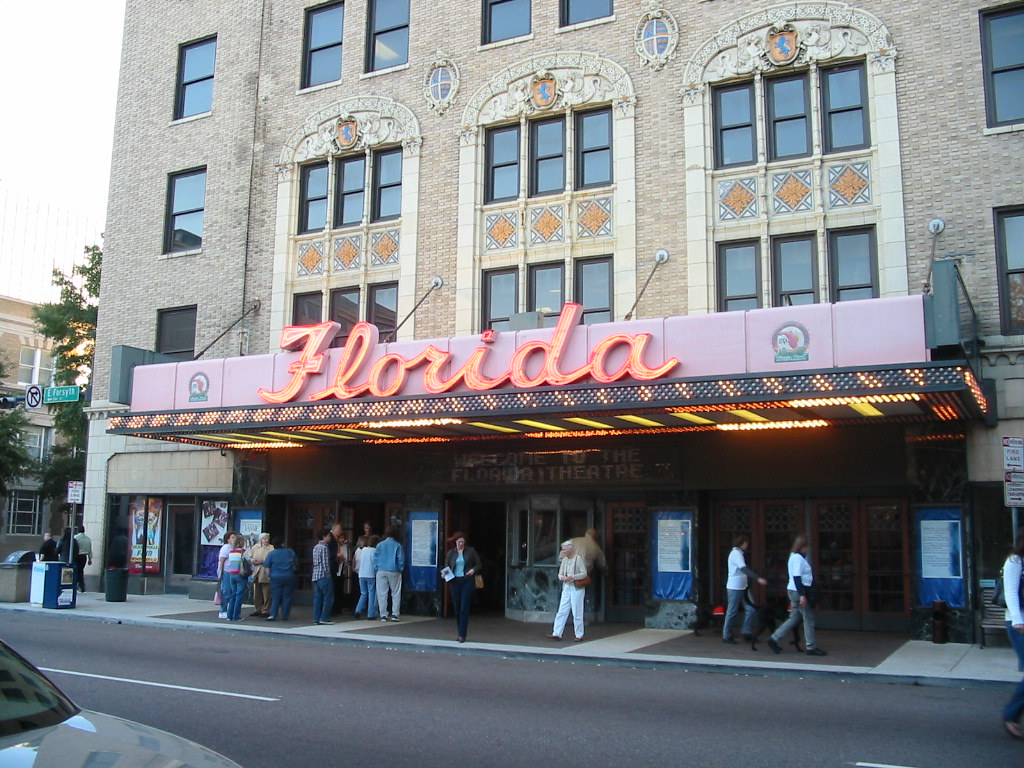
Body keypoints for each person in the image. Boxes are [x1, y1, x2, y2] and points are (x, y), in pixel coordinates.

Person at [767, 534, 826, 656]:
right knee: (808, 618)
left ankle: (774, 638)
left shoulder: (793, 557)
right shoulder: (799, 559)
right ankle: (811, 646)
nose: (808, 548)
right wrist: (802, 595)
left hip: (792, 590)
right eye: (807, 546)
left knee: (794, 617)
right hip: (798, 591)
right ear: (802, 546)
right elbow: (797, 577)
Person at [723, 535, 767, 644]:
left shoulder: (738, 553)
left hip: (742, 586)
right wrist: (757, 578)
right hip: (735, 587)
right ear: (742, 543)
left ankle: (746, 632)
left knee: (751, 608)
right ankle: (727, 635)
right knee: (732, 611)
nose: (747, 545)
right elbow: (743, 569)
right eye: (746, 543)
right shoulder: (736, 554)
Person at [1002, 527, 1024, 739]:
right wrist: (1018, 620)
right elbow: (1010, 592)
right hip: (1020, 624)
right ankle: (1011, 715)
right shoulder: (1015, 562)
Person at [445, 532, 482, 643]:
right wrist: (444, 574)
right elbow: (447, 566)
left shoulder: (470, 551)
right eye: (458, 541)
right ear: (455, 542)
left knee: (464, 607)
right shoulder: (451, 553)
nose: (461, 543)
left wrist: (473, 570)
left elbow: (479, 564)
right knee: (457, 607)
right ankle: (459, 631)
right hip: (455, 581)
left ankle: (462, 635)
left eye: (462, 541)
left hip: (467, 580)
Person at [558, 528, 606, 612]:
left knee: (565, 600)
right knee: (578, 600)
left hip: (567, 575)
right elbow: (602, 563)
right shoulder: (595, 546)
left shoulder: (573, 541)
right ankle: (580, 617)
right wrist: (606, 572)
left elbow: (561, 557)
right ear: (595, 537)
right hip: (581, 576)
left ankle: (564, 619)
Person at [549, 540, 588, 642]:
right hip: (566, 588)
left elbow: (584, 573)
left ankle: (579, 635)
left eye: (565, 549)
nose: (563, 551)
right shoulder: (565, 560)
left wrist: (572, 577)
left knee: (577, 612)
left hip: (576, 589)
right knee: (562, 611)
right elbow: (560, 573)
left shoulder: (578, 559)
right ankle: (557, 633)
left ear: (570, 549)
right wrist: (562, 577)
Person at [262, 536, 298, 621]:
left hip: (275, 577)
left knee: (275, 597)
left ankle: (273, 615)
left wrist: (269, 576)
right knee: (287, 596)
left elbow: (267, 566)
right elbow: (296, 562)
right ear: (283, 544)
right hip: (289, 576)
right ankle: (285, 615)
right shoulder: (290, 552)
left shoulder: (271, 554)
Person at [374, 526, 405, 622]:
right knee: (395, 593)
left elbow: (375, 558)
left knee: (382, 593)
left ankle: (383, 614)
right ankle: (395, 614)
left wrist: (377, 569)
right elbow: (400, 559)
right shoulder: (397, 545)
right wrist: (400, 569)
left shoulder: (380, 545)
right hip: (394, 570)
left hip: (381, 570)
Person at [311, 528, 335, 625]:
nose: (329, 537)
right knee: (328, 597)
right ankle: (324, 617)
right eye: (328, 536)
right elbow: (325, 563)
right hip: (324, 575)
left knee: (318, 598)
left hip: (316, 574)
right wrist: (328, 575)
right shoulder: (324, 548)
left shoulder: (316, 547)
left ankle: (316, 618)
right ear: (324, 536)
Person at [247, 532, 274, 617]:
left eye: (267, 538)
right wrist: (252, 561)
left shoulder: (271, 548)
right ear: (260, 539)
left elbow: (271, 559)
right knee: (257, 592)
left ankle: (266, 610)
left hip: (265, 570)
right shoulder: (255, 547)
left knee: (266, 592)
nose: (266, 540)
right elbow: (250, 557)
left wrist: (263, 562)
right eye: (264, 538)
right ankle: (257, 609)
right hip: (256, 570)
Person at [223, 534, 248, 622]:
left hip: (232, 574)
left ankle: (229, 615)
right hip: (241, 574)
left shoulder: (231, 552)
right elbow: (249, 561)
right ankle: (236, 615)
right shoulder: (243, 552)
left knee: (233, 595)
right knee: (239, 595)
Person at [355, 535, 379, 619]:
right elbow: (375, 563)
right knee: (371, 594)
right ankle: (370, 614)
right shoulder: (375, 551)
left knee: (363, 593)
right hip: (370, 574)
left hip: (361, 574)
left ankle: (358, 610)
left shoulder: (364, 550)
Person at [216, 530, 237, 619]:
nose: (234, 539)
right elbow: (221, 561)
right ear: (228, 539)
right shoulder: (226, 547)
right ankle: (223, 610)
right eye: (232, 537)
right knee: (226, 591)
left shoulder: (233, 548)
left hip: (232, 571)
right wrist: (220, 572)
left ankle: (228, 609)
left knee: (231, 591)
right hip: (226, 572)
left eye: (235, 537)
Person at [73, 526, 93, 592]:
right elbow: (90, 550)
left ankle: (76, 585)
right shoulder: (88, 539)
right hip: (84, 557)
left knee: (75, 571)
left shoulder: (75, 538)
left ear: (78, 530)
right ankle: (82, 586)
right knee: (81, 571)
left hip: (76, 556)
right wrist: (90, 559)